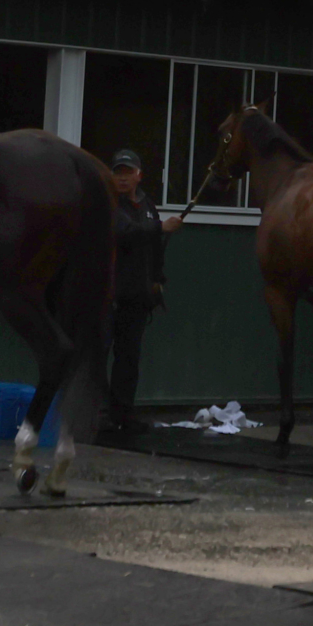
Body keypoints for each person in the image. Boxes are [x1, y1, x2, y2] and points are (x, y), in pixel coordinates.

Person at [105, 149, 182, 429]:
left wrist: (157, 280)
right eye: (118, 172)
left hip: (137, 297)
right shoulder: (109, 203)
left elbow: (154, 249)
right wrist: (161, 227)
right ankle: (92, 413)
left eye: (128, 172)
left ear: (139, 175)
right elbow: (124, 233)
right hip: (107, 296)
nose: (122, 178)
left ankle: (122, 414)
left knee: (129, 359)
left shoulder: (148, 205)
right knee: (96, 355)